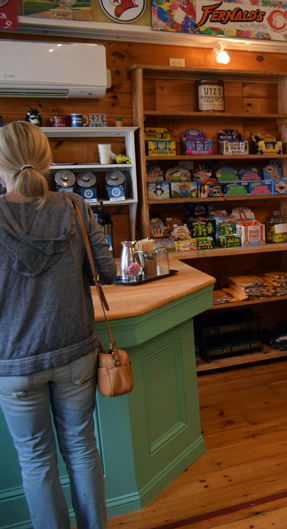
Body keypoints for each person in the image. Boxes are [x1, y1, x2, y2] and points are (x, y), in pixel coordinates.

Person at [0, 121, 116, 529]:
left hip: (14, 363)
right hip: (75, 352)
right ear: (48, 160)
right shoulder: (74, 207)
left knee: (35, 462)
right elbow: (107, 271)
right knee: (83, 449)